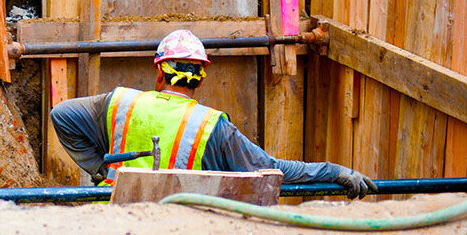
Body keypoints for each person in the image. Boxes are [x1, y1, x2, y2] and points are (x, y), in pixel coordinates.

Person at [51, 29, 377, 199]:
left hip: (110, 218)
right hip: (180, 222)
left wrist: (99, 168)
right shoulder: (212, 127)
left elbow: (62, 115)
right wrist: (332, 171)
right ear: (200, 79)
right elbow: (271, 170)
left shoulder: (121, 103)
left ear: (159, 73)